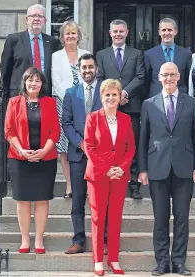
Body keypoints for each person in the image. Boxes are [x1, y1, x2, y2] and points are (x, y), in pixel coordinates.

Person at [138, 62, 195, 276]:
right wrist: (142, 169)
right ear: (159, 77)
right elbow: (143, 138)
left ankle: (178, 262)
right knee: (160, 218)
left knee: (182, 217)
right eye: (165, 75)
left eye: (172, 75)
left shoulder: (192, 103)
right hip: (157, 166)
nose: (168, 78)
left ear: (179, 77)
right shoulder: (149, 104)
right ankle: (161, 263)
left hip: (184, 166)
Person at [4, 67, 60, 254]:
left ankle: (39, 239)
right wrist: (21, 150)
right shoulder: (13, 102)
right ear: (24, 82)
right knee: (23, 200)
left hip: (46, 158)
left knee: (42, 199)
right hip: (20, 158)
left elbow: (55, 131)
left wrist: (44, 151)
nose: (33, 83)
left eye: (37, 80)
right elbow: (9, 130)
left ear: (42, 84)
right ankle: (25, 239)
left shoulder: (50, 103)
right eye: (30, 80)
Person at [84, 79, 136, 276]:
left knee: (115, 218)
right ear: (101, 96)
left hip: (119, 176)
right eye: (107, 94)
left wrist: (122, 168)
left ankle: (113, 258)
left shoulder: (126, 119)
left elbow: (130, 147)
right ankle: (98, 260)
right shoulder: (92, 118)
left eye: (115, 94)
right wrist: (106, 168)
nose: (111, 98)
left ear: (120, 96)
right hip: (98, 175)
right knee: (98, 218)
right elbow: (89, 147)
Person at [96, 19, 145, 200]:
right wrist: (114, 96)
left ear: (127, 33)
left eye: (121, 31)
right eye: (115, 31)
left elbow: (141, 77)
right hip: (109, 109)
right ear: (110, 33)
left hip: (131, 106)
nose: (118, 34)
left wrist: (124, 93)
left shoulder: (137, 54)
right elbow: (100, 78)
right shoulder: (101, 55)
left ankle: (134, 184)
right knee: (109, 146)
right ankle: (111, 180)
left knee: (131, 145)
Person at [61, 53, 103, 254]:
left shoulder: (105, 91)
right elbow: (66, 123)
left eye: (91, 67)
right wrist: (80, 143)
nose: (87, 70)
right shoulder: (70, 93)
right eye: (84, 67)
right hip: (78, 155)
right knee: (77, 199)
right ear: (79, 70)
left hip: (101, 154)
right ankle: (79, 240)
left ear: (96, 69)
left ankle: (103, 240)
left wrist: (96, 145)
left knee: (102, 199)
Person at [52, 20, 90, 198]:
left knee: (86, 142)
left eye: (73, 33)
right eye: (67, 33)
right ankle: (69, 185)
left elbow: (90, 77)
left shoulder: (86, 54)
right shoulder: (56, 56)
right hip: (63, 102)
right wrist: (69, 98)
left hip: (85, 103)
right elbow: (56, 81)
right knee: (65, 146)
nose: (70, 36)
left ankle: (87, 183)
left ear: (78, 36)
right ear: (62, 37)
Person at [0, 4, 59, 97]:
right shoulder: (14, 40)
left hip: (44, 94)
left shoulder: (52, 42)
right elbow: (5, 70)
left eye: (40, 16)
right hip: (19, 94)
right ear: (27, 20)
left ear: (45, 21)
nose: (37, 18)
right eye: (33, 16)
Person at [144, 17, 192, 98]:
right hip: (156, 100)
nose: (166, 33)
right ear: (159, 32)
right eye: (163, 30)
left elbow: (188, 79)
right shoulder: (149, 54)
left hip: (181, 99)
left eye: (170, 30)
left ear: (175, 31)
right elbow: (146, 81)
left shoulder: (186, 54)